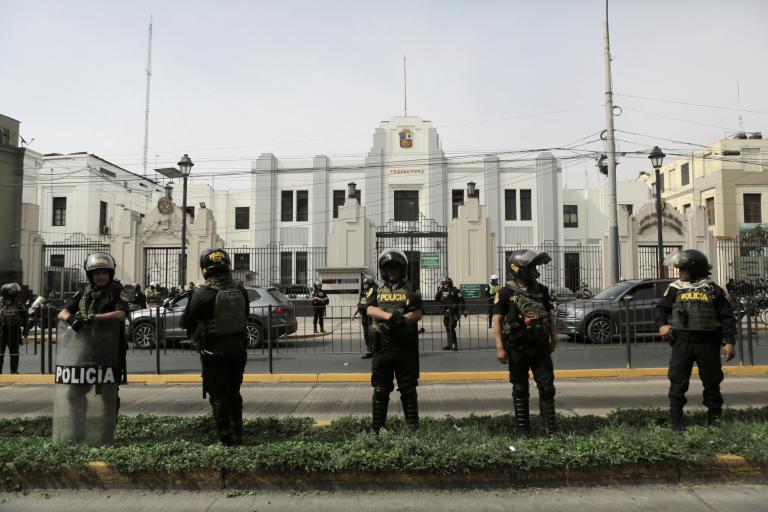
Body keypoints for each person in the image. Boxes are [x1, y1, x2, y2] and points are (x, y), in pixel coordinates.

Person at [656, 249, 736, 431]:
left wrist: (729, 342)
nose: (680, 273)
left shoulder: (714, 290)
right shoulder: (675, 288)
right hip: (682, 341)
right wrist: (662, 325)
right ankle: (676, 422)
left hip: (708, 342)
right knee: (677, 381)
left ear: (696, 269)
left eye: (683, 270)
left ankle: (714, 419)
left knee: (712, 381)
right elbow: (661, 309)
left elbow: (727, 318)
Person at [181, 248, 249, 446]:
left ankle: (226, 439)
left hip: (214, 352)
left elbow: (185, 321)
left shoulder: (202, 294)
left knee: (219, 396)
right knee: (234, 392)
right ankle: (238, 433)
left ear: (205, 271)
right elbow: (244, 316)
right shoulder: (241, 290)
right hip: (238, 350)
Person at [56, 253, 129, 423]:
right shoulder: (84, 292)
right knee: (75, 392)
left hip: (111, 350)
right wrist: (71, 318)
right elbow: (62, 312)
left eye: (104, 273)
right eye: (97, 273)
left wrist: (94, 318)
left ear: (110, 273)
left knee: (108, 393)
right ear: (90, 275)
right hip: (87, 349)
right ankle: (79, 426)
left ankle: (107, 429)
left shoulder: (118, 291)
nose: (101, 276)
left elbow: (120, 313)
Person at [492, 250, 557, 437]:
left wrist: (554, 338)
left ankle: (550, 430)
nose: (535, 272)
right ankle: (523, 431)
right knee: (520, 389)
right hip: (517, 348)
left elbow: (549, 316)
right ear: (519, 270)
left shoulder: (541, 291)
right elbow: (497, 320)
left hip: (540, 348)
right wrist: (500, 348)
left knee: (547, 388)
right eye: (531, 268)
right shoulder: (505, 293)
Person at [367, 249, 424, 432]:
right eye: (389, 267)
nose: (392, 271)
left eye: (395, 268)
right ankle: (377, 428)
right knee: (381, 389)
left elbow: (418, 312)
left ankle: (413, 428)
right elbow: (368, 309)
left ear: (402, 269)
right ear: (384, 269)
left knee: (408, 389)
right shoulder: (375, 288)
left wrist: (403, 320)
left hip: (405, 346)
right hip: (382, 346)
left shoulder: (411, 288)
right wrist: (389, 317)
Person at [0, 283, 28, 374]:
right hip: (1, 330)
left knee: (14, 351)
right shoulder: (0, 302)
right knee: (0, 351)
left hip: (14, 330)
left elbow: (24, 316)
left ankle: (14, 371)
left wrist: (26, 328)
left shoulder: (18, 303)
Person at [435, 276, 466, 351]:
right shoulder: (442, 291)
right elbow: (437, 299)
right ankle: (449, 344)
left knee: (451, 327)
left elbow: (462, 300)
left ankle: (454, 344)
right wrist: (439, 291)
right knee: (447, 327)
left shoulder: (455, 290)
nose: (444, 285)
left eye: (446, 283)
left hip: (453, 312)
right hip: (445, 311)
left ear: (449, 283)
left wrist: (463, 310)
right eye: (443, 283)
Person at [352, 274, 377, 359]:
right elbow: (361, 304)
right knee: (366, 334)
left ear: (369, 283)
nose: (364, 285)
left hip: (371, 315)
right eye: (363, 284)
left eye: (365, 283)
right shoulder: (363, 293)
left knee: (371, 334)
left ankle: (374, 351)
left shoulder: (373, 292)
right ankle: (369, 350)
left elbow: (372, 303)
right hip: (364, 316)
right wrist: (355, 314)